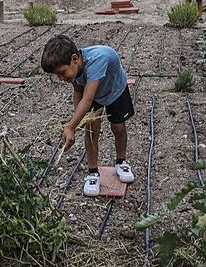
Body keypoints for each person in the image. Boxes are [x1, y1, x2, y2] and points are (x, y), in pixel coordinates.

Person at [41, 34, 136, 197]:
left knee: (118, 127)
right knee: (91, 131)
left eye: (62, 73)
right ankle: (93, 172)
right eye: (58, 75)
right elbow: (78, 91)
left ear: (75, 59)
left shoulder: (98, 60)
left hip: (115, 90)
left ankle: (121, 162)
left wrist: (70, 127)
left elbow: (87, 99)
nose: (61, 78)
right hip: (91, 93)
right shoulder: (74, 68)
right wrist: (78, 120)